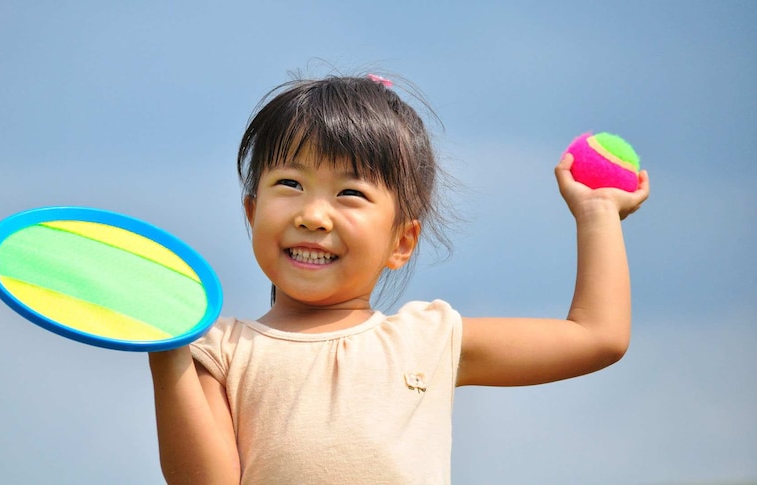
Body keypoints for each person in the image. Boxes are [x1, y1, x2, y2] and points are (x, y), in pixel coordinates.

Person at [148, 74, 650, 484]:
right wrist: (167, 349)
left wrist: (597, 213)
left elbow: (597, 337)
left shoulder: (427, 339)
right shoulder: (219, 349)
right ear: (251, 212)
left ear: (401, 242)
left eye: (350, 194)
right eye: (290, 184)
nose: (313, 216)